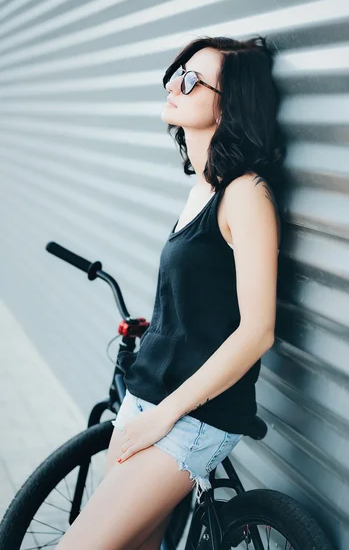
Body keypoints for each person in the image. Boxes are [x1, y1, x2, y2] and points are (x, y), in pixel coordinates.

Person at [55, 35, 284, 550]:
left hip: (192, 418)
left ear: (230, 104)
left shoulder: (246, 194)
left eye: (191, 79)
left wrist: (165, 414)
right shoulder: (202, 185)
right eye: (176, 73)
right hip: (147, 397)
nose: (173, 85)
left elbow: (257, 331)